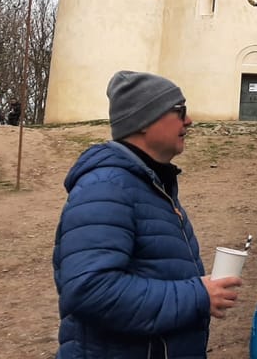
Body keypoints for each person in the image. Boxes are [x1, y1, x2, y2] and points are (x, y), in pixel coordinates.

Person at [52, 70, 241, 358]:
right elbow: (90, 290)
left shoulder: (150, 183)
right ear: (144, 120)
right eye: (180, 111)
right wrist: (198, 295)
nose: (188, 121)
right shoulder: (106, 187)